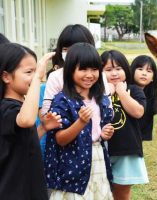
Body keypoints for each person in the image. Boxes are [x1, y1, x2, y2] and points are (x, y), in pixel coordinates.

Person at [44, 43, 114, 199]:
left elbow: (99, 132)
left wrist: (105, 133)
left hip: (97, 159)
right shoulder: (62, 101)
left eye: (94, 69)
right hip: (71, 165)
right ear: (70, 71)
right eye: (83, 69)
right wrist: (81, 123)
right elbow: (60, 140)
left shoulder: (100, 99)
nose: (90, 75)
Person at [0, 43, 57, 199]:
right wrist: (38, 77)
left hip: (30, 187)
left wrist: (43, 128)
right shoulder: (6, 108)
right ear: (6, 76)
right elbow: (25, 121)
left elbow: (23, 141)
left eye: (35, 70)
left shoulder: (21, 107)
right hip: (14, 191)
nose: (35, 75)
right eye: (28, 72)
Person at [101, 50, 148, 200]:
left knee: (122, 192)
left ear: (126, 70)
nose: (114, 73)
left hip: (127, 149)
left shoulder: (134, 90)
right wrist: (107, 94)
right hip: (101, 149)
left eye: (118, 69)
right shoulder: (96, 92)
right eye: (108, 70)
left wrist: (121, 92)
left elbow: (138, 112)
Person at [41, 24, 95, 115]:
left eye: (75, 49)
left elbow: (107, 108)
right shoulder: (56, 76)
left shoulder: (99, 75)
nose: (70, 54)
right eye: (65, 49)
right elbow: (46, 112)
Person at [130, 55, 157, 141]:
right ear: (132, 71)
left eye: (149, 71)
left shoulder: (150, 100)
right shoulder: (125, 92)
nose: (144, 73)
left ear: (153, 77)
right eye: (140, 69)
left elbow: (141, 136)